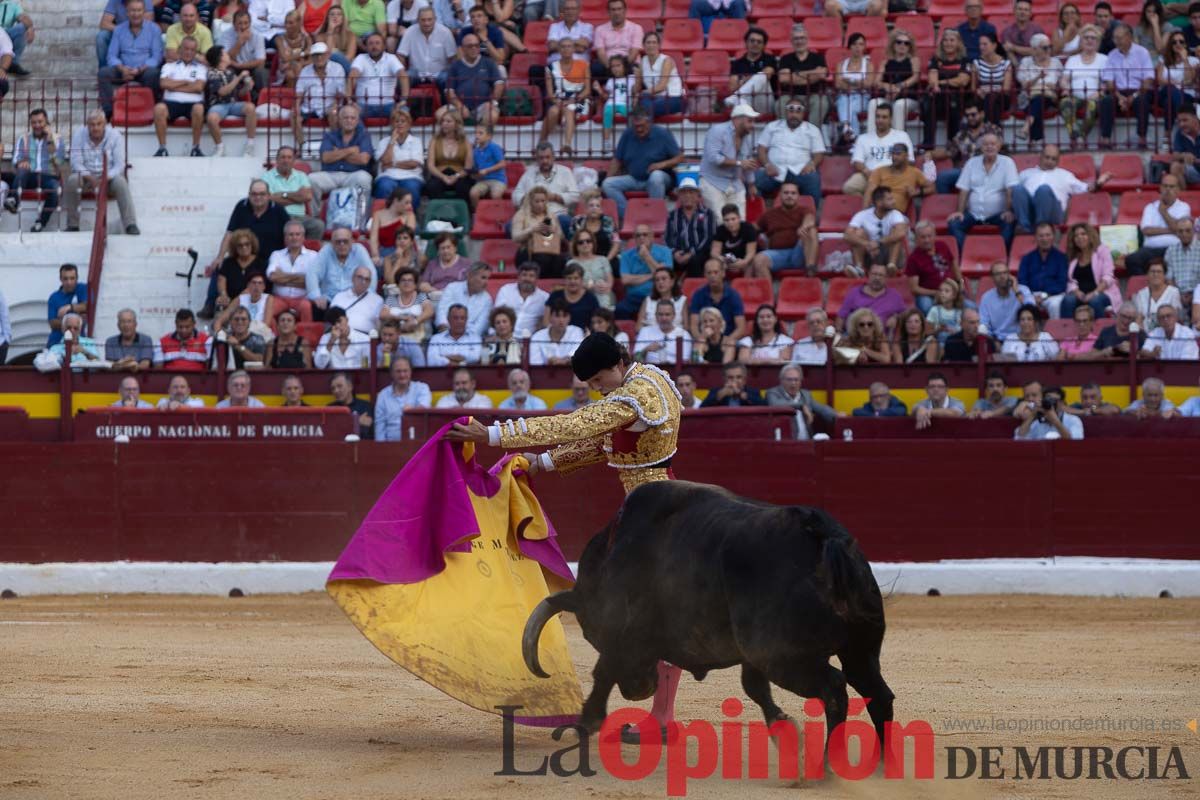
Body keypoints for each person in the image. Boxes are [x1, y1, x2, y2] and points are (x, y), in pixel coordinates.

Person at [445, 332, 684, 745]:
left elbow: (573, 423)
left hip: (656, 515)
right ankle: (659, 713)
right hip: (653, 506)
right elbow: (601, 442)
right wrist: (542, 462)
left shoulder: (637, 395)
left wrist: (494, 436)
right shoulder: (642, 380)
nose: (596, 390)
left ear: (615, 365)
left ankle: (657, 708)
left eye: (597, 381)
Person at [204, 179, 291, 314]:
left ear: (268, 195)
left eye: (262, 194)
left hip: (269, 260)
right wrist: (220, 257)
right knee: (220, 265)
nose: (258, 197)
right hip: (244, 254)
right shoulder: (242, 206)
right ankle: (210, 304)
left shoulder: (278, 211)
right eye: (254, 194)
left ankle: (235, 305)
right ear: (249, 195)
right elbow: (230, 233)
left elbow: (289, 234)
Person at [601, 109, 681, 222]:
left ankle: (655, 219)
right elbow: (617, 160)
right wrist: (608, 177)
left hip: (659, 178)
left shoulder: (663, 134)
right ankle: (630, 217)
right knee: (607, 184)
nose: (638, 129)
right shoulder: (628, 134)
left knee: (656, 177)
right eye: (636, 126)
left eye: (642, 126)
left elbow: (679, 158)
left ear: (649, 123)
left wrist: (662, 164)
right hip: (634, 178)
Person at [64, 110, 137, 235]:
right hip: (86, 177)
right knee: (72, 181)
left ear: (105, 124)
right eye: (92, 124)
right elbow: (75, 162)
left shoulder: (115, 136)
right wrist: (91, 178)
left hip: (108, 178)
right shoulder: (79, 135)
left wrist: (106, 178)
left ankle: (130, 224)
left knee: (121, 182)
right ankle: (73, 225)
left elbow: (119, 165)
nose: (95, 128)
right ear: (87, 125)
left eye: (99, 124)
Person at [1014, 145, 1109, 235]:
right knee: (1017, 189)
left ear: (1058, 161)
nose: (1050, 161)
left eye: (1053, 159)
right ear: (1041, 156)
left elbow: (1085, 188)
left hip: (1053, 212)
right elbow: (1014, 195)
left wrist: (1098, 183)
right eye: (1047, 157)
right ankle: (1024, 227)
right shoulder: (1026, 173)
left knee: (1043, 190)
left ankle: (1042, 229)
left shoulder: (1065, 175)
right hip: (1029, 211)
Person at [948, 134, 1018, 254]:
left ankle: (1000, 257)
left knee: (1009, 223)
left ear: (999, 146)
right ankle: (968, 254)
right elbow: (964, 190)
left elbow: (1010, 189)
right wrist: (959, 211)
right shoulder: (971, 163)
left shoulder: (1007, 163)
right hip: (973, 214)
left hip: (998, 214)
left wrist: (1008, 210)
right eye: (986, 144)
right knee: (954, 224)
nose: (989, 147)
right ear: (981, 147)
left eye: (993, 144)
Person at [754, 97, 826, 205]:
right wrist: (767, 165)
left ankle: (811, 216)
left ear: (803, 113)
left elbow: (819, 153)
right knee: (753, 180)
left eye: (798, 111)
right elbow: (761, 149)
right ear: (786, 112)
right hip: (774, 170)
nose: (794, 114)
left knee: (813, 178)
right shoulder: (772, 127)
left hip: (800, 171)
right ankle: (757, 215)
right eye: (791, 111)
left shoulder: (812, 130)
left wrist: (812, 164)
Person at [98, 0, 163, 120]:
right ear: (127, 13)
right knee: (103, 73)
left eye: (139, 11)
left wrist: (140, 69)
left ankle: (152, 110)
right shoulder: (119, 30)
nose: (136, 14)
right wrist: (122, 68)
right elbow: (111, 55)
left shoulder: (154, 29)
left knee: (154, 73)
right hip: (124, 69)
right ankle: (109, 113)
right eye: (132, 11)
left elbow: (156, 57)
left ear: (144, 12)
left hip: (144, 69)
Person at [1098, 23, 1155, 149]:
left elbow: (1148, 79)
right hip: (1119, 92)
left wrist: (1133, 97)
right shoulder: (1112, 54)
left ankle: (1142, 138)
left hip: (1139, 91)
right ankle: (1106, 139)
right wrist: (1119, 97)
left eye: (1119, 38)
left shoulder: (1142, 52)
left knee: (1142, 101)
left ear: (1129, 37)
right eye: (1114, 38)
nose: (1116, 41)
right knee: (1106, 101)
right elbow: (1109, 81)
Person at [699, 103, 759, 218]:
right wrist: (739, 163)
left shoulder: (747, 137)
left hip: (735, 182)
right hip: (712, 181)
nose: (753, 125)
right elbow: (713, 158)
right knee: (719, 222)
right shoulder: (717, 131)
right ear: (737, 120)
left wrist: (751, 184)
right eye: (750, 121)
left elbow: (748, 163)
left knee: (740, 222)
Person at [152, 36, 207, 158]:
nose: (188, 52)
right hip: (171, 103)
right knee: (158, 109)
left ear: (195, 52)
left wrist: (174, 85)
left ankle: (195, 148)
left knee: (199, 109)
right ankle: (162, 149)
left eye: (192, 50)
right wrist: (186, 82)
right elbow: (164, 84)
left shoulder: (201, 68)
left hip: (193, 104)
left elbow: (198, 87)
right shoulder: (168, 66)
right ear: (180, 50)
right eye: (186, 49)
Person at [748, 182, 817, 278]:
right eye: (786, 193)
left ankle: (810, 269)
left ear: (798, 196)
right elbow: (751, 229)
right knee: (759, 260)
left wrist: (804, 226)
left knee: (811, 230)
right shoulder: (769, 214)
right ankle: (768, 292)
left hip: (799, 254)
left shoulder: (805, 210)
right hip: (777, 254)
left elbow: (810, 220)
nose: (789, 196)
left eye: (793, 193)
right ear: (780, 195)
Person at [843, 103, 914, 196]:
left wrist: (892, 173)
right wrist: (868, 172)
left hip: (893, 175)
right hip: (868, 175)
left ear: (890, 119)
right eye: (878, 117)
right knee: (849, 187)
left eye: (884, 117)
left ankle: (875, 203)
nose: (880, 120)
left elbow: (910, 161)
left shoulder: (902, 136)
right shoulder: (863, 138)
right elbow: (857, 161)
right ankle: (870, 207)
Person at [1126, 175, 1192, 275]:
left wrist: (1163, 211)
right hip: (1151, 249)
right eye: (1165, 186)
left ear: (1178, 189)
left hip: (1174, 248)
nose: (1168, 189)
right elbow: (1146, 231)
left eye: (1171, 186)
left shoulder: (1184, 207)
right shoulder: (1150, 207)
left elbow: (1180, 229)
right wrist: (1171, 230)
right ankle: (1146, 287)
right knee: (1131, 260)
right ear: (1160, 188)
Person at [310, 104, 375, 205]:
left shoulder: (363, 136)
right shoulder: (330, 136)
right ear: (339, 120)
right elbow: (326, 158)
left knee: (364, 178)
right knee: (311, 179)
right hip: (331, 175)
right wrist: (351, 150)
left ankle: (361, 218)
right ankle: (314, 217)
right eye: (345, 118)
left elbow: (363, 160)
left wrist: (337, 153)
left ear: (357, 121)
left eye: (352, 118)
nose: (349, 120)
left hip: (353, 175)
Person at [8, 109, 60, 233]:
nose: (37, 125)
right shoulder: (23, 138)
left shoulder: (56, 138)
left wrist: (49, 140)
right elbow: (16, 159)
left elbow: (59, 162)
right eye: (34, 122)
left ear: (46, 121)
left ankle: (40, 223)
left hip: (48, 176)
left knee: (55, 188)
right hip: (29, 176)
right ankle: (14, 201)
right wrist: (21, 162)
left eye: (40, 122)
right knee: (22, 170)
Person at [919, 29, 971, 152]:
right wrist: (941, 84)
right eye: (945, 40)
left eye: (952, 40)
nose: (948, 43)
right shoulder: (936, 59)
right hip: (939, 98)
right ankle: (929, 144)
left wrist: (942, 83)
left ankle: (952, 143)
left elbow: (963, 80)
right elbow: (932, 79)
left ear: (958, 43)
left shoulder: (964, 60)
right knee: (932, 103)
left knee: (950, 102)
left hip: (957, 97)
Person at [307, 227, 377, 315]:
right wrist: (316, 296)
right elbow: (312, 273)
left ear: (352, 242)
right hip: (330, 300)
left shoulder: (359, 250)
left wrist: (367, 296)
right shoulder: (326, 250)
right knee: (316, 308)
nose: (342, 244)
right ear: (332, 243)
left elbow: (371, 274)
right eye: (338, 242)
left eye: (345, 241)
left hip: (353, 299)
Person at [204, 45, 258, 158]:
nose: (228, 55)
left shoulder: (230, 72)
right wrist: (238, 78)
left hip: (233, 104)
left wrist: (248, 86)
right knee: (211, 118)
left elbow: (239, 93)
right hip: (218, 105)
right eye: (225, 53)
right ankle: (220, 147)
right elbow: (222, 92)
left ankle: (250, 144)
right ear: (220, 58)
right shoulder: (212, 73)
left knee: (251, 108)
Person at [1058, 24, 1107, 148]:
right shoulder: (1073, 60)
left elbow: (1107, 82)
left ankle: (1079, 137)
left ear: (1098, 42)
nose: (1090, 40)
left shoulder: (1104, 59)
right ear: (1081, 41)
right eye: (1086, 38)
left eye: (1093, 38)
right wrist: (1066, 87)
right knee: (1065, 104)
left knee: (1092, 105)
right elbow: (1064, 79)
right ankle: (1077, 136)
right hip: (1075, 95)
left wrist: (1100, 92)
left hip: (1095, 96)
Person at [511, 141, 578, 229]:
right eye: (541, 158)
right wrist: (530, 198)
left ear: (553, 157)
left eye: (547, 157)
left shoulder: (565, 172)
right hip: (532, 217)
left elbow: (575, 196)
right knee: (510, 226)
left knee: (567, 223)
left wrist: (554, 197)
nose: (545, 161)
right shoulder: (529, 173)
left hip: (557, 215)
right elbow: (516, 196)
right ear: (536, 159)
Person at [1062, 222, 1121, 320]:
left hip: (1102, 292)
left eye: (1083, 234)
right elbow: (1070, 280)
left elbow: (1108, 277)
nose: (1079, 237)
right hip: (1081, 294)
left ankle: (1100, 332)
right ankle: (1066, 332)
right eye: (1076, 236)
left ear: (1090, 236)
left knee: (1095, 301)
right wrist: (1077, 292)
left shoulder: (1102, 251)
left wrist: (1095, 293)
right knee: (1068, 300)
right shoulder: (1072, 257)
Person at [777, 24, 831, 130]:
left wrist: (796, 75)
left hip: (812, 95)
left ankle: (811, 135)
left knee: (821, 102)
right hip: (791, 95)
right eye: (796, 38)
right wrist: (811, 74)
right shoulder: (785, 58)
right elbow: (783, 79)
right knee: (780, 103)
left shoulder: (818, 57)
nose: (799, 41)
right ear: (791, 41)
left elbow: (822, 74)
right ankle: (785, 135)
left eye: (802, 38)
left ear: (807, 40)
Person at [444, 31, 504, 126]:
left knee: (492, 115)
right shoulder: (455, 65)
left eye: (476, 45)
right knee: (439, 115)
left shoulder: (489, 63)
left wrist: (493, 102)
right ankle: (458, 140)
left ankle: (481, 137)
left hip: (483, 105)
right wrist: (459, 105)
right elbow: (449, 91)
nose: (474, 48)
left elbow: (499, 84)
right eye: (470, 46)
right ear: (463, 49)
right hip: (460, 106)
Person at [867, 29, 920, 137]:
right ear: (893, 44)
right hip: (888, 95)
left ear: (910, 46)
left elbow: (915, 77)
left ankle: (897, 142)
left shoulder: (914, 60)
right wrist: (887, 86)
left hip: (908, 96)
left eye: (906, 43)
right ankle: (871, 139)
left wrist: (898, 87)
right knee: (873, 103)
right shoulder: (885, 61)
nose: (902, 45)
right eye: (899, 42)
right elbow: (877, 81)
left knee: (899, 105)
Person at [845, 187, 909, 276]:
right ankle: (859, 268)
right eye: (889, 199)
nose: (894, 201)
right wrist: (867, 244)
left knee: (896, 233)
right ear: (879, 202)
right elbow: (847, 235)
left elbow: (901, 233)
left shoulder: (896, 214)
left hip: (888, 252)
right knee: (858, 233)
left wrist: (878, 243)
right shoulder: (862, 215)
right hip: (870, 253)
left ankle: (891, 266)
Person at [292, 43, 345, 147]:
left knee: (334, 113)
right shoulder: (305, 71)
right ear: (312, 57)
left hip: (330, 105)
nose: (319, 57)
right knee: (293, 115)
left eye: (321, 54)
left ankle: (337, 145)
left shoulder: (337, 68)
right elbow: (299, 93)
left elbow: (340, 93)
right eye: (316, 55)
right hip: (309, 107)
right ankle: (302, 146)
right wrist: (297, 107)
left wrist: (334, 106)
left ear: (327, 55)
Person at [905, 221, 963, 314]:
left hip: (950, 289)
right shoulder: (913, 259)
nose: (927, 240)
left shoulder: (942, 245)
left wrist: (960, 282)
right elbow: (914, 289)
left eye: (929, 236)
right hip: (929, 295)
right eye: (923, 237)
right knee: (926, 306)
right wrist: (936, 293)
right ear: (916, 239)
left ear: (935, 235)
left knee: (971, 307)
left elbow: (953, 264)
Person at [766, 363, 836, 439]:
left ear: (800, 381)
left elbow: (821, 409)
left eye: (796, 380)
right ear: (781, 380)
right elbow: (775, 405)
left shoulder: (805, 395)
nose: (793, 383)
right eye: (789, 380)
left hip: (807, 442)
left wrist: (837, 415)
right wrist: (801, 406)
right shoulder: (773, 393)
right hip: (786, 442)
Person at [1016, 33, 1063, 146]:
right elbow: (1024, 85)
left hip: (1050, 98)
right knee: (1038, 101)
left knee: (1039, 99)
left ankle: (1027, 129)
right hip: (1029, 97)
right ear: (1034, 49)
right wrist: (1038, 77)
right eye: (1045, 47)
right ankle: (1037, 140)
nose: (1048, 50)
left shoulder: (1056, 63)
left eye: (1049, 47)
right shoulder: (1026, 62)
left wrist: (1056, 87)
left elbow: (1062, 83)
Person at [350, 31, 408, 121]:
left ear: (384, 46)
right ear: (366, 47)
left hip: (388, 106)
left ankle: (396, 136)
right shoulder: (361, 58)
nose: (374, 46)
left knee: (404, 112)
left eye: (377, 43)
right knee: (349, 113)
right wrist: (350, 100)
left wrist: (403, 100)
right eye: (371, 43)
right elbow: (352, 76)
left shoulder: (391, 58)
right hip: (363, 106)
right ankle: (362, 135)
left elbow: (403, 75)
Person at [665, 178, 716, 279]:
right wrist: (675, 252)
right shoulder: (672, 215)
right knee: (665, 260)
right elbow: (668, 237)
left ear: (698, 196)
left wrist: (691, 253)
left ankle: (693, 290)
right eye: (683, 193)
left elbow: (709, 238)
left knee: (695, 260)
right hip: (679, 252)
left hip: (699, 253)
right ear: (679, 196)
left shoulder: (708, 214)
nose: (687, 195)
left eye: (691, 192)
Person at [615, 224, 669, 319]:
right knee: (619, 309)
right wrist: (652, 275)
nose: (641, 238)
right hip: (634, 296)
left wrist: (647, 257)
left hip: (658, 295)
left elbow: (665, 276)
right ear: (634, 239)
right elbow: (625, 280)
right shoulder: (626, 255)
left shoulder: (665, 251)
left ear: (652, 237)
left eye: (645, 235)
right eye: (638, 235)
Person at [397, 6, 457, 90]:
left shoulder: (445, 32)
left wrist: (449, 72)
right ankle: (403, 102)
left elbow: (452, 57)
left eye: (429, 19)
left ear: (435, 19)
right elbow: (401, 54)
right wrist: (402, 71)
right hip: (417, 73)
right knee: (401, 80)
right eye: (423, 20)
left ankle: (446, 104)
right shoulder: (410, 31)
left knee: (450, 80)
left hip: (440, 73)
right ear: (418, 20)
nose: (426, 23)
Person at [512, 186, 567, 278]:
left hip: (550, 248)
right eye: (537, 201)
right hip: (528, 251)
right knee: (542, 258)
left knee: (560, 259)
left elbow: (561, 237)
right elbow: (515, 237)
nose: (540, 204)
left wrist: (553, 231)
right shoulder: (521, 214)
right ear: (530, 202)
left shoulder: (551, 215)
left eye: (543, 201)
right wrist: (532, 230)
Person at [1017, 223, 1069, 319]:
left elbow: (1062, 282)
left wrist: (1045, 295)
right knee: (1023, 303)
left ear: (1053, 236)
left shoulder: (1061, 258)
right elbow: (1022, 281)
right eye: (1041, 236)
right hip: (1032, 294)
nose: (1044, 239)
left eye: (1048, 235)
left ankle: (1055, 332)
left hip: (1053, 295)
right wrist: (1031, 296)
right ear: (1035, 237)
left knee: (1055, 305)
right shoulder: (1027, 258)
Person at [375, 108, 425, 207]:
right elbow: (385, 160)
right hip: (388, 176)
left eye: (403, 121)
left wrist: (393, 164)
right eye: (396, 121)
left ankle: (411, 218)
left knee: (412, 187)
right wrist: (392, 142)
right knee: (384, 186)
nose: (399, 124)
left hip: (411, 176)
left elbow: (414, 164)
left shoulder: (416, 141)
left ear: (409, 124)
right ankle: (384, 218)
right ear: (392, 124)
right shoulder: (384, 142)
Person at [864, 142, 930, 217]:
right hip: (878, 211)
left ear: (906, 156)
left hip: (897, 214)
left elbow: (932, 188)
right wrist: (865, 213)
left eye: (898, 154)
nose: (894, 157)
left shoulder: (915, 172)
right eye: (893, 154)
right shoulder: (879, 171)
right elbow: (870, 191)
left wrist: (917, 192)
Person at [374, 355, 432, 440]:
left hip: (417, 443)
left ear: (411, 371)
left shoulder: (422, 388)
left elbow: (424, 411)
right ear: (391, 373)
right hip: (391, 446)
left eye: (405, 371)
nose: (402, 375)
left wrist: (411, 411)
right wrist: (381, 449)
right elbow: (380, 427)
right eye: (398, 371)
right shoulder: (382, 395)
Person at [688, 257, 746, 341]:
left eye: (716, 272)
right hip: (705, 339)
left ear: (723, 273)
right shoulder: (698, 294)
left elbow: (741, 328)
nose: (712, 276)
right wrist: (700, 339)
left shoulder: (733, 295)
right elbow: (693, 326)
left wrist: (728, 340)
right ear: (705, 275)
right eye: (709, 273)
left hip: (728, 340)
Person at [723, 26, 776, 117]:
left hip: (764, 101)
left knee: (761, 76)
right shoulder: (737, 63)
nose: (755, 44)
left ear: (764, 45)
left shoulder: (769, 59)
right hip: (745, 102)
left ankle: (736, 97)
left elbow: (767, 74)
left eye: (759, 42)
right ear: (746, 42)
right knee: (741, 100)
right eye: (752, 41)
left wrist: (744, 80)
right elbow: (732, 87)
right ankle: (737, 98)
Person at [424, 108, 474, 203]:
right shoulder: (435, 140)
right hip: (439, 174)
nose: (444, 124)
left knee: (463, 187)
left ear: (457, 124)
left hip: (459, 175)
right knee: (432, 186)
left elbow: (468, 167)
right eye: (443, 121)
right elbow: (430, 165)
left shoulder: (465, 142)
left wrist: (456, 176)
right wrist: (443, 177)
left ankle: (459, 214)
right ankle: (439, 213)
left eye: (448, 121)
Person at [838, 263, 906, 332]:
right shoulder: (854, 293)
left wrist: (896, 317)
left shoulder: (894, 296)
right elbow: (841, 316)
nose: (877, 278)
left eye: (881, 275)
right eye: (874, 274)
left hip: (882, 339)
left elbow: (905, 316)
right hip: (857, 338)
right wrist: (838, 334)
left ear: (886, 277)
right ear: (869, 274)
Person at [381, 265, 434, 351]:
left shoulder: (421, 297)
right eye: (403, 280)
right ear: (398, 284)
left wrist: (415, 322)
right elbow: (383, 314)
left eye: (410, 280)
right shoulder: (391, 298)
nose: (406, 283)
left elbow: (429, 311)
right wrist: (401, 318)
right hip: (396, 341)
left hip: (419, 341)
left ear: (415, 284)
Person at [214, 229, 265, 316]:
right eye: (240, 245)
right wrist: (224, 295)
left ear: (252, 245)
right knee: (219, 302)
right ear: (235, 247)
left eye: (247, 244)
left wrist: (233, 304)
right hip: (229, 301)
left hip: (251, 302)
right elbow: (221, 280)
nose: (244, 247)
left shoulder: (260, 263)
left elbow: (253, 287)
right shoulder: (228, 262)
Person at [591, 0, 643, 83]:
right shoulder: (600, 30)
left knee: (636, 69)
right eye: (613, 9)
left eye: (619, 9)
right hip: (607, 64)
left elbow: (634, 53)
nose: (616, 13)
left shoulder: (636, 28)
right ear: (608, 12)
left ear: (625, 10)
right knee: (595, 68)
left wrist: (622, 68)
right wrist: (612, 67)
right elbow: (601, 53)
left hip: (628, 63)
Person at [435, 261, 493, 336]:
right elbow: (441, 313)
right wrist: (449, 333)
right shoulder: (452, 288)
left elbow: (479, 328)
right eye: (483, 278)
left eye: (488, 278)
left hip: (469, 341)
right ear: (470, 276)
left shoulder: (487, 300)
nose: (486, 282)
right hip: (445, 335)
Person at [833, 33, 872, 142]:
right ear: (850, 46)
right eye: (854, 44)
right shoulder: (841, 65)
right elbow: (838, 84)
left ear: (864, 46)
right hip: (844, 96)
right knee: (846, 102)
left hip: (862, 97)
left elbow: (868, 83)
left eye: (861, 44)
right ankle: (855, 139)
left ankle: (846, 128)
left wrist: (849, 80)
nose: (857, 47)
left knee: (850, 106)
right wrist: (858, 83)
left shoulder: (868, 65)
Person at [634, 31, 683, 117]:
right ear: (643, 45)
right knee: (644, 104)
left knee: (645, 107)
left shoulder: (667, 60)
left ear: (659, 45)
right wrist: (637, 78)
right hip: (652, 98)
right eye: (648, 42)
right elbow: (637, 88)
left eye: (654, 42)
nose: (651, 45)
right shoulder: (642, 61)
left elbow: (661, 86)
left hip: (673, 97)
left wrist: (642, 93)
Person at [494, 262, 549, 337]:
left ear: (537, 279)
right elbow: (497, 315)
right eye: (524, 275)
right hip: (503, 337)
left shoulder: (544, 298)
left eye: (531, 276)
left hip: (529, 341)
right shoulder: (506, 290)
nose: (527, 279)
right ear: (518, 277)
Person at [219, 10, 268, 93]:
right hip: (233, 66)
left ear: (250, 23)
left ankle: (261, 99)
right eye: (240, 23)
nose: (243, 26)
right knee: (227, 71)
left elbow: (261, 60)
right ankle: (232, 97)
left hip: (251, 67)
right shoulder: (226, 35)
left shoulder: (258, 35)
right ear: (234, 24)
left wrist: (240, 65)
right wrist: (240, 42)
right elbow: (225, 58)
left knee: (261, 72)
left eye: (246, 23)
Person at [1014, 381, 1083, 439]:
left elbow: (1075, 442)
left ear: (1061, 403)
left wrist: (1055, 421)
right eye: (1048, 400)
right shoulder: (1038, 422)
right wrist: (1032, 415)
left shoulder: (1073, 420)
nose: (1052, 403)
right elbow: (1019, 437)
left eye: (1054, 401)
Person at [633, 299, 691, 365]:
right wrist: (646, 350)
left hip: (676, 371)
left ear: (674, 315)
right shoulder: (645, 331)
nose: (664, 318)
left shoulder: (684, 334)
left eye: (667, 314)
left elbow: (686, 362)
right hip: (650, 372)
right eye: (660, 314)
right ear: (655, 315)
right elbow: (635, 360)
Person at [529, 298, 586, 365]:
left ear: (569, 318)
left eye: (565, 316)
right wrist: (549, 362)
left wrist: (565, 361)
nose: (561, 320)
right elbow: (535, 364)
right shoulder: (537, 337)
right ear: (550, 317)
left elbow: (577, 357)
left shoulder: (576, 332)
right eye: (557, 316)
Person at [332, 265, 386, 335]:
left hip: (364, 339)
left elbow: (379, 327)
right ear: (352, 278)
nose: (363, 282)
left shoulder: (378, 300)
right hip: (340, 334)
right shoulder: (339, 297)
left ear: (370, 283)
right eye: (360, 277)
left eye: (367, 279)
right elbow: (330, 320)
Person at [596, 53, 636, 150]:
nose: (615, 68)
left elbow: (636, 90)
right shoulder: (610, 81)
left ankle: (632, 139)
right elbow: (606, 97)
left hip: (625, 104)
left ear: (625, 66)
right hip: (611, 103)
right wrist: (599, 90)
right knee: (607, 112)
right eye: (613, 66)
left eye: (618, 65)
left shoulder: (631, 78)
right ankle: (606, 141)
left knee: (631, 116)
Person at [972, 33, 1012, 126]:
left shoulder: (1006, 64)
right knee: (989, 100)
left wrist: (990, 91)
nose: (981, 47)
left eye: (985, 44)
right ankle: (994, 129)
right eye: (980, 44)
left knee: (992, 97)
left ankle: (987, 127)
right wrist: (978, 91)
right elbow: (973, 87)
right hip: (982, 98)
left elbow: (1006, 89)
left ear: (994, 46)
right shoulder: (976, 63)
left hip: (1001, 98)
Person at [369, 187, 417, 264]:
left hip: (404, 251)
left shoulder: (410, 216)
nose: (410, 206)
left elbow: (408, 237)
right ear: (396, 201)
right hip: (384, 252)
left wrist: (400, 251)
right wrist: (375, 255)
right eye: (406, 203)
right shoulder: (378, 215)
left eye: (410, 203)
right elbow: (373, 238)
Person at [545, 262, 599, 330]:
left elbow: (596, 323)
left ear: (581, 280)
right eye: (569, 278)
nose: (572, 281)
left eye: (576, 278)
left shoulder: (591, 298)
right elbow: (546, 320)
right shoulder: (555, 295)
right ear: (564, 280)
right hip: (557, 337)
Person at [1165, 217, 1200, 318]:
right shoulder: (1171, 251)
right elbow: (1169, 278)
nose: (1184, 234)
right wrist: (1178, 295)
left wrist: (1194, 295)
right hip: (1176, 294)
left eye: (1188, 230)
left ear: (1193, 231)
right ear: (1176, 233)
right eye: (1180, 231)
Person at [47, 264, 88, 348]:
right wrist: (76, 321)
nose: (69, 282)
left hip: (79, 344)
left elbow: (87, 306)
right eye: (65, 279)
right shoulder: (54, 297)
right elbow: (52, 323)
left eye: (72, 278)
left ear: (77, 278)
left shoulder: (82, 289)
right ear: (60, 279)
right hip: (56, 342)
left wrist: (69, 307)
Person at [1133, 261, 1182, 330]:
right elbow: (1139, 320)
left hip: (1167, 334)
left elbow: (1176, 318)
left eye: (1159, 272)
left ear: (1164, 275)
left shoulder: (1174, 292)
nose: (1155, 274)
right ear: (1147, 274)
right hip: (1147, 336)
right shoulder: (1141, 294)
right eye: (1152, 272)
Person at [710, 204, 758, 275]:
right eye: (726, 220)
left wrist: (744, 262)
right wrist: (722, 260)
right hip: (727, 259)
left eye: (733, 219)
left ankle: (746, 285)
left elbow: (751, 252)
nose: (730, 223)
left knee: (750, 264)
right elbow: (714, 252)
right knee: (714, 263)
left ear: (739, 218)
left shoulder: (748, 228)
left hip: (745, 258)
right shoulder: (720, 230)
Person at [468, 124, 506, 209]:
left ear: (488, 136)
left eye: (480, 133)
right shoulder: (476, 151)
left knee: (496, 195)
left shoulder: (494, 147)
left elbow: (502, 163)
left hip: (497, 179)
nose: (477, 136)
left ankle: (498, 214)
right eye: (476, 133)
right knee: (473, 193)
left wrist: (487, 170)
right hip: (483, 180)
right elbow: (475, 167)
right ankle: (478, 214)